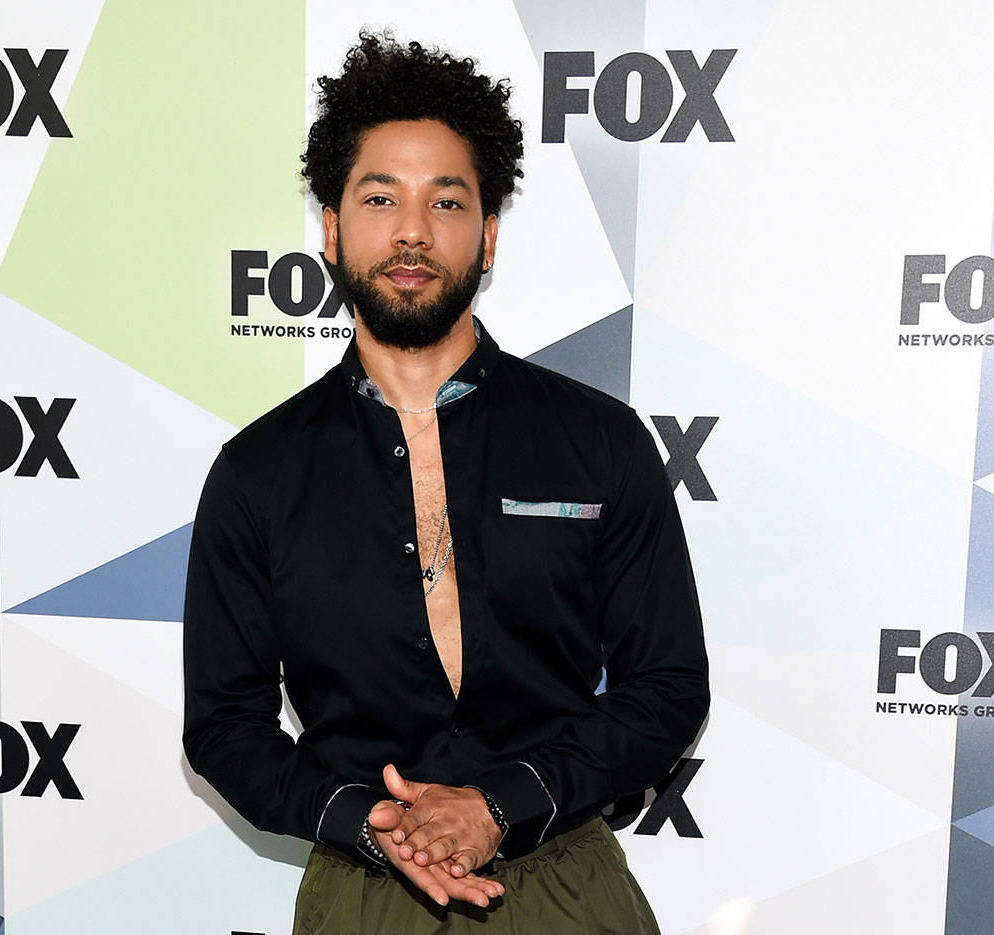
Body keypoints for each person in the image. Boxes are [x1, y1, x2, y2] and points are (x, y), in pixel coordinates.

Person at [183, 33, 709, 934]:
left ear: (488, 233)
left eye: (447, 201)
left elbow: (666, 686)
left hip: (564, 886)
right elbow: (225, 726)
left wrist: (503, 802)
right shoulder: (258, 471)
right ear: (334, 226)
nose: (413, 231)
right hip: (363, 894)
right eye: (380, 197)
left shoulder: (599, 442)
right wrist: (365, 819)